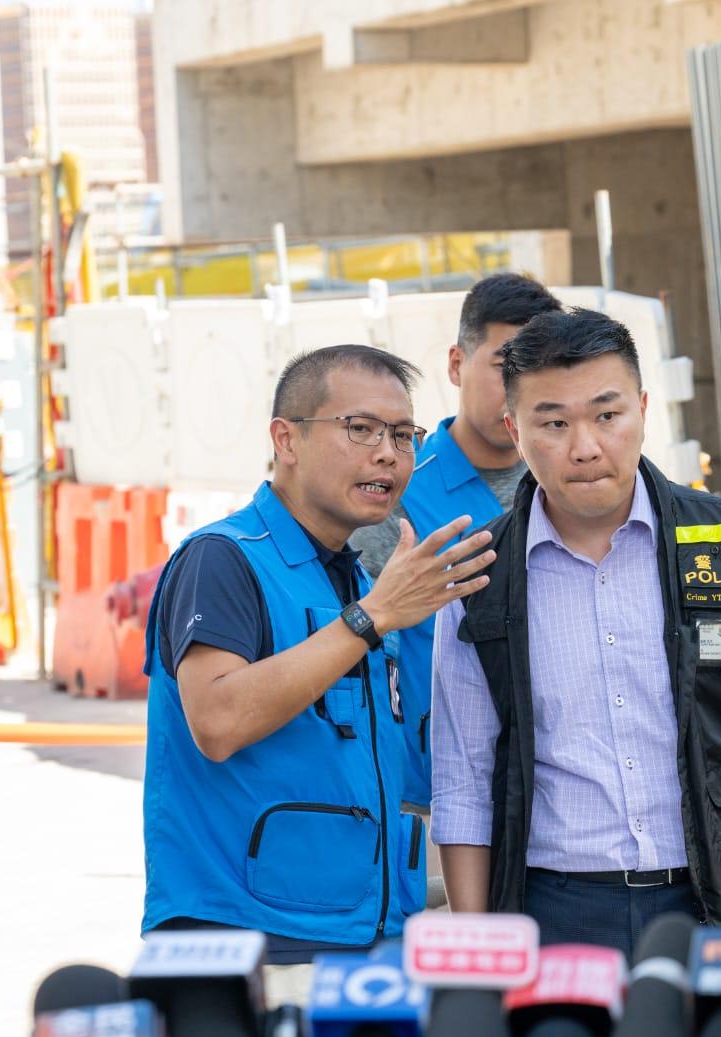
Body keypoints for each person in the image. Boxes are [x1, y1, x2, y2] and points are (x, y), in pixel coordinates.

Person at [430, 309, 721, 993]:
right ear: (514, 429)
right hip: (555, 912)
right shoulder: (480, 577)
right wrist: (477, 954)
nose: (585, 447)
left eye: (607, 415)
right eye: (553, 423)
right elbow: (465, 780)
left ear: (644, 410)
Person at [141, 344, 495, 998]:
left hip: (363, 936)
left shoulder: (355, 579)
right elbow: (217, 719)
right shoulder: (224, 558)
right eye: (361, 429)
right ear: (287, 439)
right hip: (250, 943)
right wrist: (371, 618)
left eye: (403, 435)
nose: (388, 454)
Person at [351, 273, 564, 903]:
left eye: (536, 369)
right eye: (503, 366)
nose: (518, 388)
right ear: (455, 363)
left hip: (559, 807)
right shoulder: (395, 491)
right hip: (427, 806)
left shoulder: (571, 488)